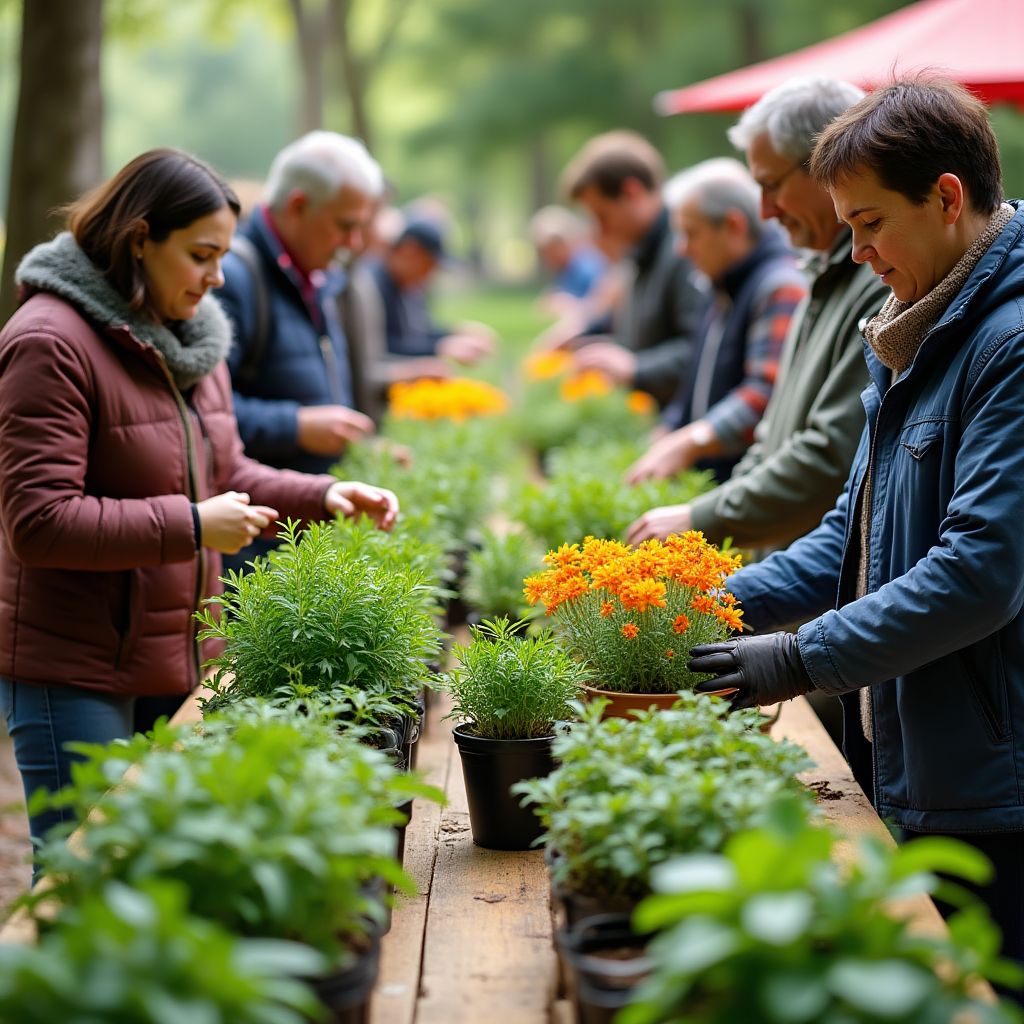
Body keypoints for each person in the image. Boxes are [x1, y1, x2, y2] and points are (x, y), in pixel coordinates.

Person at [688, 78, 1024, 969]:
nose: (860, 251)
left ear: (947, 198)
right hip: (923, 758)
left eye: (872, 223)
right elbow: (852, 533)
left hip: (996, 781)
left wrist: (797, 658)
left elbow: (980, 572)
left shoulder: (1009, 342)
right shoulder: (917, 321)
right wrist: (708, 603)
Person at [0, 149, 399, 849]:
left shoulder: (193, 336)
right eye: (201, 254)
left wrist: (328, 492)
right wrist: (191, 526)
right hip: (74, 664)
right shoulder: (48, 343)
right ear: (139, 240)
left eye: (224, 255)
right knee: (80, 870)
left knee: (156, 864)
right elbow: (39, 522)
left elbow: (226, 467)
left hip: (173, 650)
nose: (217, 277)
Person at [628, 78, 886, 555]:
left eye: (770, 186)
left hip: (814, 575)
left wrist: (701, 517)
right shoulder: (815, 274)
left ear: (829, 165)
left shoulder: (872, 282)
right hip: (782, 559)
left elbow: (828, 454)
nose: (765, 210)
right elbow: (772, 434)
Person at [625, 159, 806, 486]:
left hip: (748, 491)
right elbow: (695, 379)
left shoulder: (779, 288)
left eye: (691, 234)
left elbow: (764, 395)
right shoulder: (720, 284)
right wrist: (671, 427)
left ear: (734, 226)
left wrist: (691, 441)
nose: (681, 249)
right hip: (715, 484)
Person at [553, 130, 708, 407]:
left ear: (632, 192)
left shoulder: (684, 250)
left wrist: (635, 368)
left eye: (602, 214)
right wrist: (584, 333)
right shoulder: (641, 251)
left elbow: (702, 349)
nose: (599, 229)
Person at [367, 217, 498, 366]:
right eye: (429, 265)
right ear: (410, 251)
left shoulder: (407, 285)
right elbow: (379, 348)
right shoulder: (371, 286)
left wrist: (454, 332)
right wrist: (440, 348)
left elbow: (419, 330)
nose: (430, 274)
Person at [528, 204, 608, 316]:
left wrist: (569, 304)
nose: (548, 258)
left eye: (551, 251)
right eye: (543, 253)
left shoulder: (588, 266)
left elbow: (603, 306)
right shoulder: (564, 268)